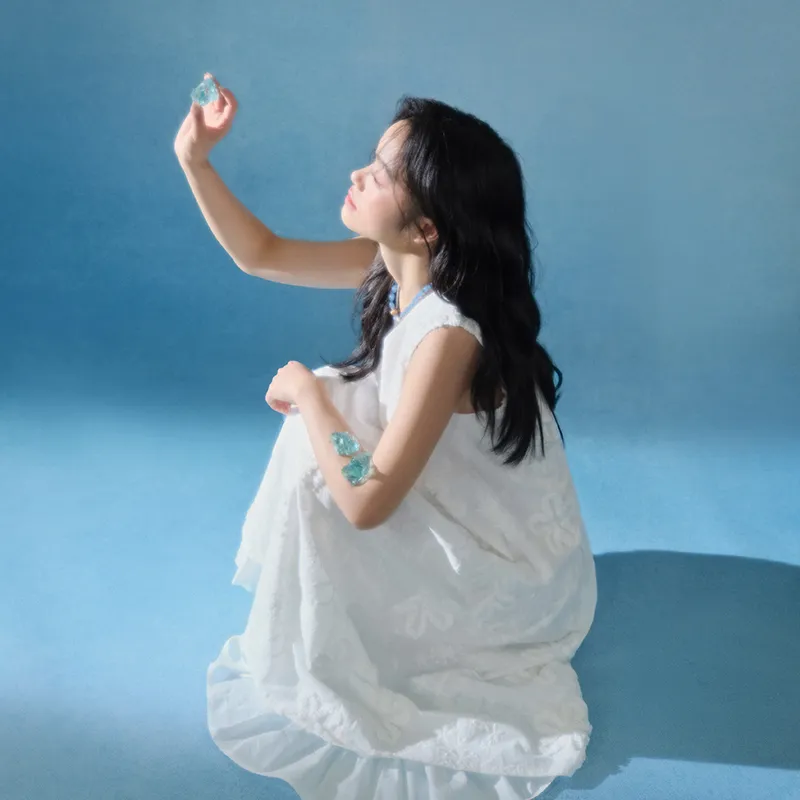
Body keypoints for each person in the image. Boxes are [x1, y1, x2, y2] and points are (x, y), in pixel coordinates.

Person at [175, 73, 598, 800]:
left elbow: (367, 505)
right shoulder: (399, 265)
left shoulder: (448, 336)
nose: (356, 174)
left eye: (379, 173)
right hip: (453, 507)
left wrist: (309, 393)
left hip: (510, 573)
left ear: (426, 226)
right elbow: (262, 253)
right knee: (332, 415)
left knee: (323, 426)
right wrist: (195, 159)